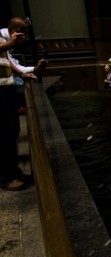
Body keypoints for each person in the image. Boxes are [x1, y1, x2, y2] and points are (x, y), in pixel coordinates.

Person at [0, 25, 35, 191]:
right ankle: (6, 177)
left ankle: (13, 171)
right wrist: (9, 43)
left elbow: (5, 58)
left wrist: (20, 73)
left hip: (6, 86)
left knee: (12, 130)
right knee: (4, 134)